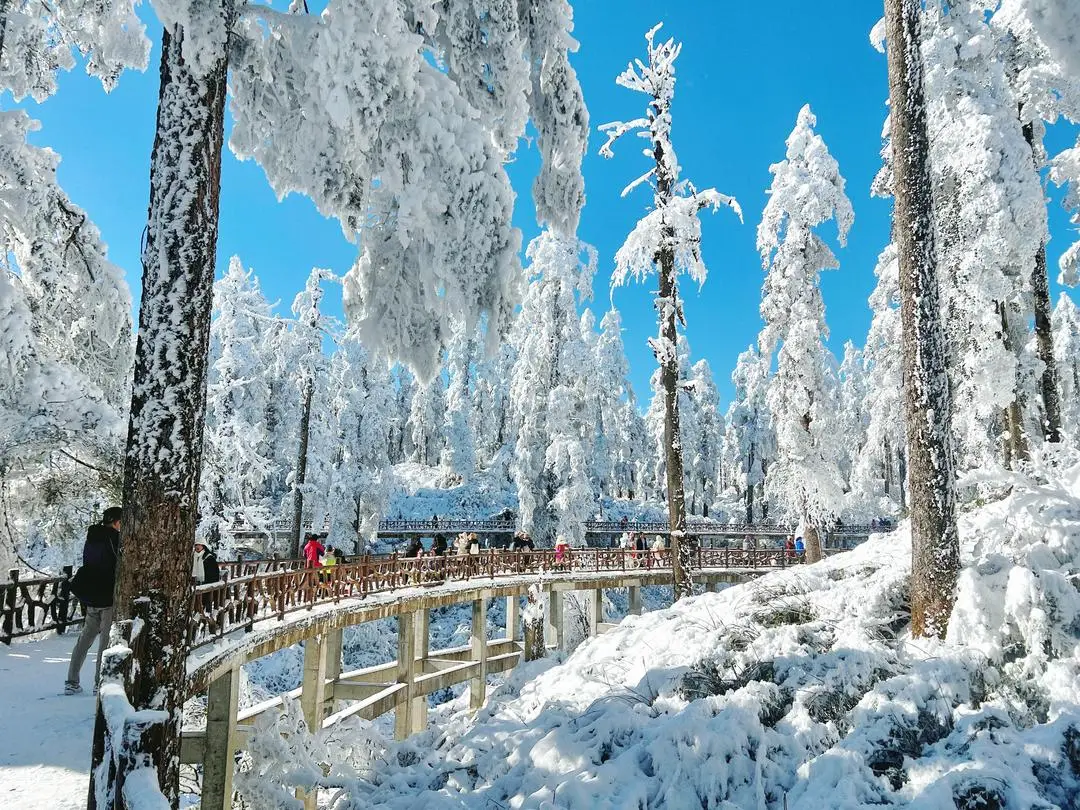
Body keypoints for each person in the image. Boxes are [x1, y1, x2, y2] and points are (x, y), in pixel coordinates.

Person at [65, 506, 122, 695]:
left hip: (91, 596)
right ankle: (99, 683)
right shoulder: (114, 538)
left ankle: (71, 682)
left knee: (84, 640)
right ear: (116, 522)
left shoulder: (92, 536)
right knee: (105, 643)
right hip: (107, 596)